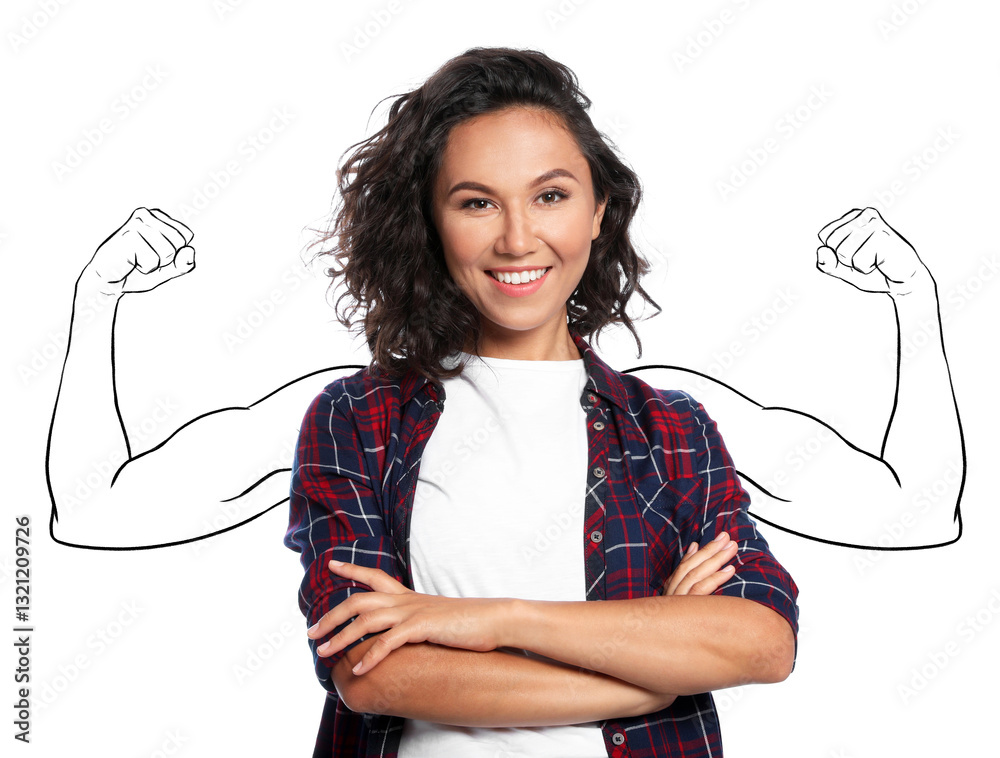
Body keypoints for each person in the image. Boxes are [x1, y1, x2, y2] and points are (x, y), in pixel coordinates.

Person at [284, 47, 799, 758]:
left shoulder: (670, 428)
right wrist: (652, 675)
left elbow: (761, 641)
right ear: (431, 223)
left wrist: (490, 621)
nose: (518, 238)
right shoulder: (356, 418)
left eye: (550, 196)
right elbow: (374, 672)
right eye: (477, 202)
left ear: (598, 211)